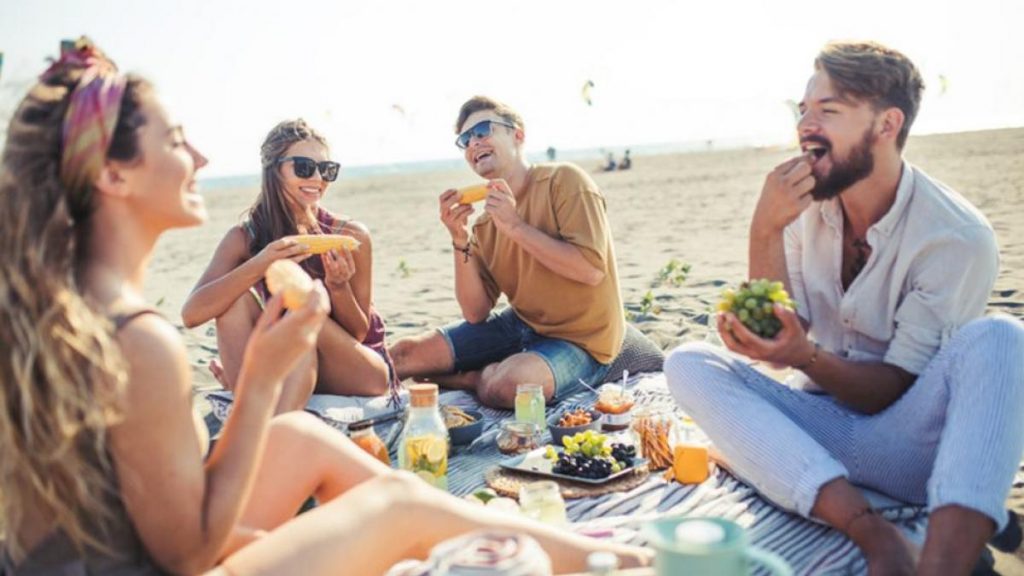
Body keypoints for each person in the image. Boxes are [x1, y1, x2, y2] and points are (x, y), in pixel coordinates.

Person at [0, 39, 652, 576]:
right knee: (396, 506)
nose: (200, 156)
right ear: (113, 177)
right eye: (176, 141)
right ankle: (629, 564)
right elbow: (186, 553)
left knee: (302, 436)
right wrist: (259, 380)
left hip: (98, 554)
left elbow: (143, 518)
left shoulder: (63, 302)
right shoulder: (142, 341)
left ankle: (614, 558)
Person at [664, 41, 1024, 575]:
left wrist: (805, 356)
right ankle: (875, 534)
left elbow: (891, 388)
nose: (806, 124)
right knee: (688, 362)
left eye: (828, 111)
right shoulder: (802, 207)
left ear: (886, 124)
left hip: (909, 445)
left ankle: (945, 560)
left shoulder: (955, 236)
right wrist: (765, 229)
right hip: (819, 423)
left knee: (1001, 339)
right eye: (803, 109)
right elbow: (781, 334)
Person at [389, 96, 625, 409]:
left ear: (518, 135)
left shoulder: (565, 181)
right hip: (522, 324)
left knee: (510, 386)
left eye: (483, 130)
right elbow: (476, 312)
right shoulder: (486, 224)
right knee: (401, 355)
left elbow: (590, 270)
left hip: (584, 340)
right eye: (465, 140)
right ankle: (487, 369)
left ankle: (472, 379)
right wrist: (459, 238)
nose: (474, 143)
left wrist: (514, 226)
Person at [182, 119, 395, 413]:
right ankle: (259, 409)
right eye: (304, 167)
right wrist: (262, 261)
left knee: (302, 316)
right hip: (288, 366)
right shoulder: (244, 238)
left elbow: (359, 333)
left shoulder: (350, 235)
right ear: (274, 169)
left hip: (358, 372)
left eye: (327, 169)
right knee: (233, 300)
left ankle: (262, 412)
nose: (318, 178)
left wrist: (338, 287)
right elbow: (192, 313)